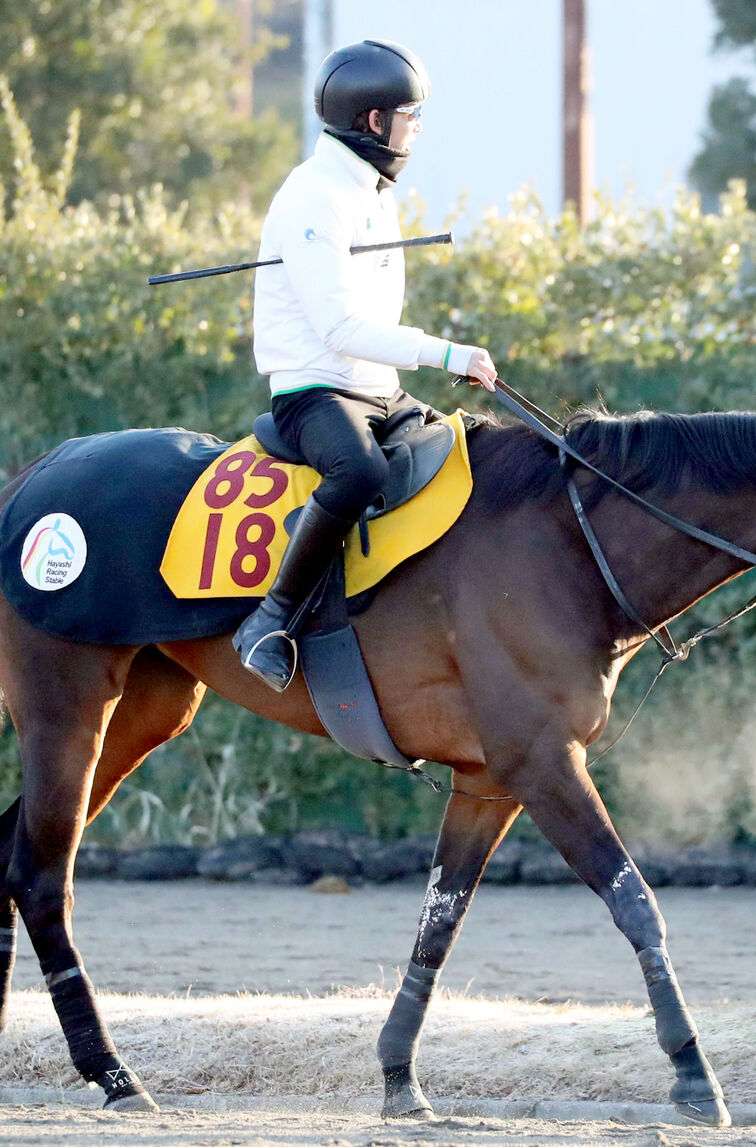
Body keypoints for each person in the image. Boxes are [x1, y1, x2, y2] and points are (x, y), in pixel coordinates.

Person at [233, 38, 498, 692]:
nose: (417, 129)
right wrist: (449, 354)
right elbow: (341, 329)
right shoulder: (313, 197)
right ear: (375, 121)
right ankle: (270, 620)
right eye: (410, 114)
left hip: (381, 392)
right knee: (358, 472)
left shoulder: (374, 193)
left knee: (465, 447)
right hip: (314, 395)